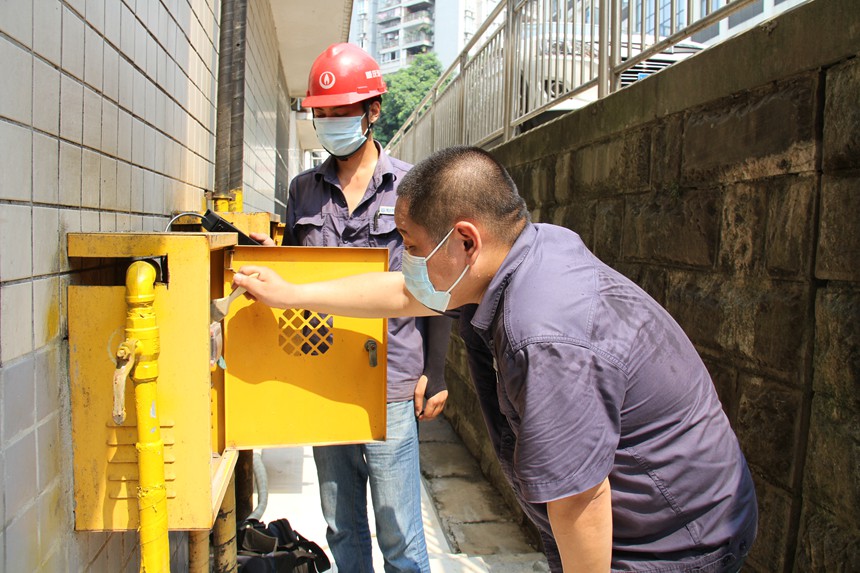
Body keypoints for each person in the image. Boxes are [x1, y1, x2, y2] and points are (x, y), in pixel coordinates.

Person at [234, 146, 758, 572]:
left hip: (670, 540)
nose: (407, 261)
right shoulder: (524, 252)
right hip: (672, 510)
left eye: (411, 246)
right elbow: (401, 293)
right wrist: (291, 293)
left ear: (465, 240)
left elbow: (582, 500)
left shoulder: (543, 335)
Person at [254, 43, 451, 573]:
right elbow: (295, 279)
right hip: (323, 375)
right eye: (324, 113)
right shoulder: (302, 192)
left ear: (373, 110)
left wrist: (436, 370)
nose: (333, 122)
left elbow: (438, 285)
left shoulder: (412, 185)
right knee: (342, 523)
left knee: (401, 533)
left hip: (390, 379)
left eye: (345, 110)